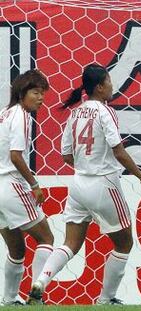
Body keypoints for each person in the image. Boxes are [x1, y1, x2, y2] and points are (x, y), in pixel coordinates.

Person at [27, 64, 141, 305]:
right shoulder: (105, 112)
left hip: (78, 184)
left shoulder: (76, 113)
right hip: (104, 183)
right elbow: (119, 151)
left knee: (70, 243)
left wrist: (86, 161)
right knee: (124, 242)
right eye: (109, 81)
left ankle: (41, 281)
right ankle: (106, 300)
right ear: (99, 87)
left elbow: (66, 154)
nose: (111, 86)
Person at [0, 70, 55, 305]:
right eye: (36, 92)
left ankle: (10, 299)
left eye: (43, 93)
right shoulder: (21, 116)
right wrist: (34, 184)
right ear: (22, 93)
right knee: (46, 238)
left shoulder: (4, 113)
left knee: (16, 248)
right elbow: (15, 156)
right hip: (10, 184)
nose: (41, 98)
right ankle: (37, 295)